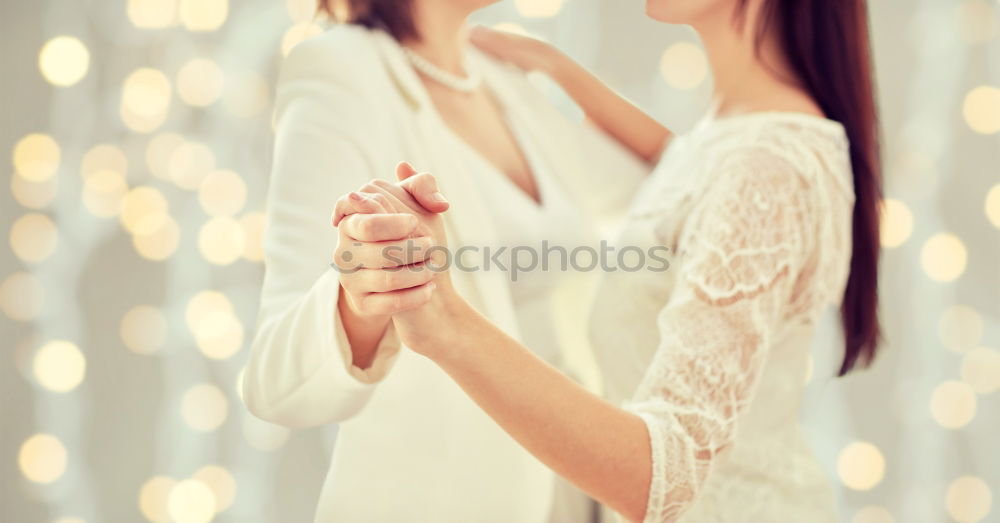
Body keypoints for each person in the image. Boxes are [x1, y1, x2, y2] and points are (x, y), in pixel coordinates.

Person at [332, 0, 883, 521]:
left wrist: (444, 320)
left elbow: (664, 475)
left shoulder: (763, 169)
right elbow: (687, 169)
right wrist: (560, 71)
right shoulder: (737, 137)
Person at [240, 0, 653, 522]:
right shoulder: (340, 70)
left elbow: (677, 190)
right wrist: (361, 300)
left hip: (582, 488)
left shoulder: (500, 80)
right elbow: (274, 383)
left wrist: (561, 69)